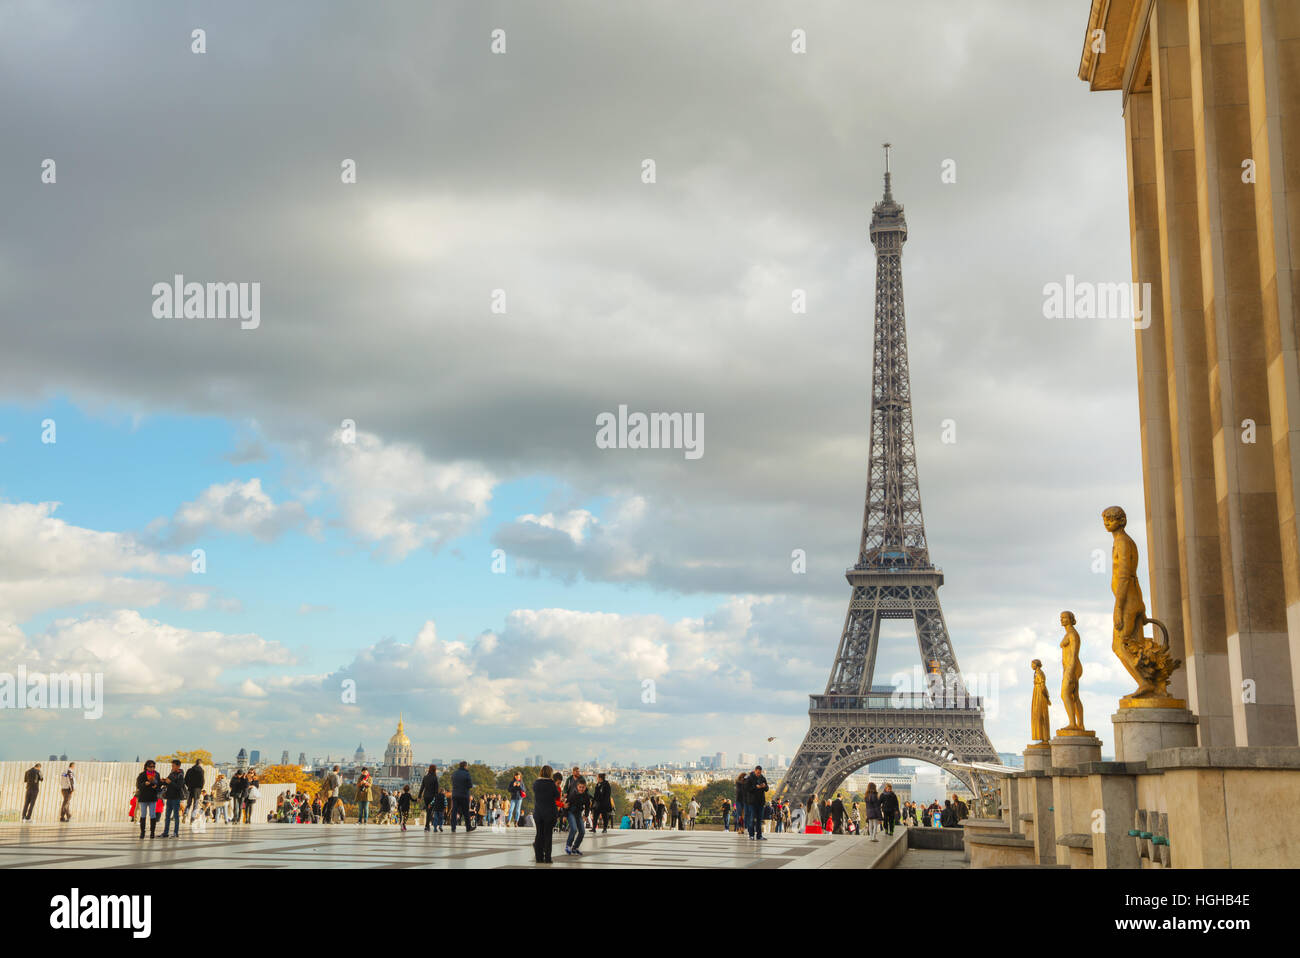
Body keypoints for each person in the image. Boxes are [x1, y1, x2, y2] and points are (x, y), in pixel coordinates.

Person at [531, 766, 560, 863]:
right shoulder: (551, 784)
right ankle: (547, 857)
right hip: (549, 812)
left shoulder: (536, 783)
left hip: (538, 812)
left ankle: (539, 857)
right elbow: (557, 795)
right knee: (548, 835)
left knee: (539, 834)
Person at [135, 760, 163, 839]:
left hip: (152, 797)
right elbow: (138, 785)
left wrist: (156, 787)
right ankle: (142, 832)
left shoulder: (156, 774)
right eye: (150, 766)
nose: (152, 768)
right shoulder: (142, 775)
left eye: (153, 766)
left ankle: (152, 832)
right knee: (143, 815)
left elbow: (159, 786)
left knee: (152, 815)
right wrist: (144, 784)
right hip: (143, 797)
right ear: (146, 767)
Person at [160, 759, 186, 838]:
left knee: (176, 816)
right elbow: (167, 783)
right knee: (167, 816)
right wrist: (163, 781)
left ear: (178, 766)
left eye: (173, 766)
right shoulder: (172, 774)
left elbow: (179, 786)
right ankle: (165, 832)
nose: (172, 767)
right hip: (169, 797)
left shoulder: (180, 775)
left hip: (176, 798)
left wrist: (170, 782)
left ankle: (175, 832)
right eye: (172, 765)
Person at [565, 780, 591, 855]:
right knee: (574, 829)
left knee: (582, 832)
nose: (581, 789)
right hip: (571, 812)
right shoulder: (573, 794)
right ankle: (568, 846)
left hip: (578, 814)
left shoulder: (586, 795)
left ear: (585, 787)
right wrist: (564, 816)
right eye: (580, 787)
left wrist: (586, 815)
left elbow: (587, 806)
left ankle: (575, 847)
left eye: (583, 787)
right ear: (577, 787)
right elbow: (567, 805)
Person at [744, 766, 769, 841]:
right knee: (752, 819)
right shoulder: (750, 778)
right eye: (758, 772)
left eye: (760, 773)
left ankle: (759, 835)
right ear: (755, 771)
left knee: (759, 820)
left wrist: (764, 786)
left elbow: (767, 789)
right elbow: (747, 789)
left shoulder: (763, 778)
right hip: (752, 802)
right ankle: (751, 835)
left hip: (760, 802)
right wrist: (756, 787)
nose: (759, 774)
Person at [450, 761, 474, 832]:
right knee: (466, 812)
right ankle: (468, 827)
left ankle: (453, 827)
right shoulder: (467, 774)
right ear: (465, 766)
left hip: (455, 794)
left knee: (454, 811)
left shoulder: (454, 773)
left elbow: (452, 782)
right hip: (464, 795)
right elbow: (470, 785)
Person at [416, 764, 439, 831]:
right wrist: (436, 798)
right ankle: (427, 826)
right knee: (430, 811)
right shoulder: (435, 778)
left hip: (426, 796)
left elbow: (422, 788)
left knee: (428, 811)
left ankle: (427, 825)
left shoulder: (425, 777)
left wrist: (419, 796)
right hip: (432, 797)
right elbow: (436, 790)